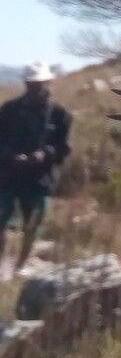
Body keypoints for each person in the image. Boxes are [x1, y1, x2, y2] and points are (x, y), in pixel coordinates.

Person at [0, 61, 72, 282]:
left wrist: (43, 155)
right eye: (31, 83)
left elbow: (63, 148)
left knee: (33, 224)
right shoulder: (9, 110)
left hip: (40, 179)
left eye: (38, 83)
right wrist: (10, 156)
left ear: (47, 82)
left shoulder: (60, 115)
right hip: (8, 176)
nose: (34, 88)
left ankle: (21, 265)